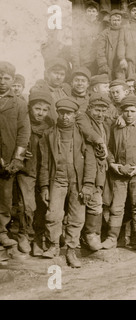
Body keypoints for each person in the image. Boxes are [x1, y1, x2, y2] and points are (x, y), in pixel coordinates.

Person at [39, 97, 96, 268]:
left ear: (75, 114)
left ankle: (71, 249)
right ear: (57, 113)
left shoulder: (83, 134)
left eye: (69, 113)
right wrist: (43, 186)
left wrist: (87, 185)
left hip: (77, 181)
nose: (65, 117)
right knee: (53, 214)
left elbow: (90, 161)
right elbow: (44, 163)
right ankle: (53, 245)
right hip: (57, 179)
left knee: (77, 216)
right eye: (62, 113)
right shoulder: (49, 134)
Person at [103, 95, 136, 253]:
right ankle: (112, 238)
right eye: (126, 111)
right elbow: (108, 148)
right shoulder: (115, 126)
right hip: (119, 173)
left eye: (132, 111)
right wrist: (112, 163)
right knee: (116, 207)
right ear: (121, 112)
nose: (129, 114)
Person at [15, 90, 53, 254]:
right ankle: (24, 235)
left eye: (45, 110)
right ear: (30, 107)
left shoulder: (50, 125)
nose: (41, 113)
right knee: (27, 205)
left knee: (44, 206)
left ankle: (39, 238)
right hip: (27, 171)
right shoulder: (22, 123)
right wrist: (20, 150)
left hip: (45, 172)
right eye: (37, 109)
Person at [0, 61, 31, 249]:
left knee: (5, 197)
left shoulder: (19, 104)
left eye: (6, 78)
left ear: (13, 80)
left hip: (8, 161)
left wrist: (17, 158)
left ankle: (2, 233)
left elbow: (24, 131)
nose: (2, 81)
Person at [77, 93, 113, 251]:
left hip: (99, 169)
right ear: (89, 108)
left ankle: (93, 234)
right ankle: (84, 235)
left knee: (97, 201)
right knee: (82, 201)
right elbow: (86, 131)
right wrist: (99, 141)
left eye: (103, 111)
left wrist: (111, 160)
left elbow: (107, 149)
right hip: (83, 168)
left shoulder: (105, 125)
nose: (100, 114)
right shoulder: (82, 118)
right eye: (97, 110)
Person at [32, 57, 71, 122]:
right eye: (56, 73)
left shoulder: (66, 90)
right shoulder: (40, 89)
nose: (58, 77)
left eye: (62, 74)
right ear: (47, 74)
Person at [72, 0, 102, 75]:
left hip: (98, 62)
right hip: (84, 62)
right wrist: (76, 65)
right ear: (85, 13)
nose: (91, 13)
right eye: (89, 11)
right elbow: (75, 47)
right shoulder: (79, 27)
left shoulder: (101, 26)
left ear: (97, 13)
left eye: (93, 11)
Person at [96, 9, 124, 80]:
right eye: (114, 20)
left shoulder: (124, 32)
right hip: (108, 63)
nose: (116, 22)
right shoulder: (104, 33)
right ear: (110, 21)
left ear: (121, 21)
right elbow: (100, 50)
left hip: (120, 63)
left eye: (118, 20)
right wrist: (103, 65)